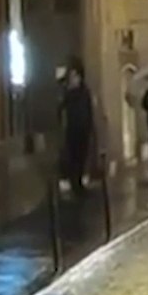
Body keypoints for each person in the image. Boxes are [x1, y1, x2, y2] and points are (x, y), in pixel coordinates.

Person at [58, 58, 95, 201]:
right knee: (73, 158)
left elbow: (88, 110)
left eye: (75, 76)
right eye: (72, 76)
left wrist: (90, 126)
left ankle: (78, 183)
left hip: (83, 129)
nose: (74, 79)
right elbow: (60, 110)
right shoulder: (68, 94)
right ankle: (75, 184)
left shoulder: (84, 92)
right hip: (72, 130)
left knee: (81, 157)